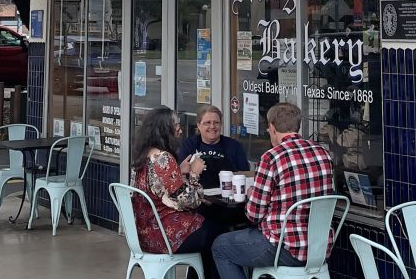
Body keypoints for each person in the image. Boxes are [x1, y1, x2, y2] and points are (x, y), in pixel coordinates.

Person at [212, 102, 335, 279]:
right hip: (320, 248)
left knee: (221, 246)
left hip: (284, 248)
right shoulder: (323, 153)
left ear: (272, 127)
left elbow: (253, 215)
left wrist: (251, 194)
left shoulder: (272, 157)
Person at [131, 106, 221, 279]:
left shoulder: (144, 156)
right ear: (165, 130)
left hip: (144, 232)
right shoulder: (164, 158)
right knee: (219, 236)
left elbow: (159, 188)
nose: (180, 129)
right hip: (165, 235)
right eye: (176, 126)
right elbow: (190, 201)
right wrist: (194, 173)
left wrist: (179, 171)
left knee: (210, 231)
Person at [178, 105, 250, 189]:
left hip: (227, 196)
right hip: (197, 197)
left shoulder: (235, 146)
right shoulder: (188, 145)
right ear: (198, 125)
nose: (212, 126)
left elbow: (245, 176)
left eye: (216, 122)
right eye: (207, 123)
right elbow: (179, 178)